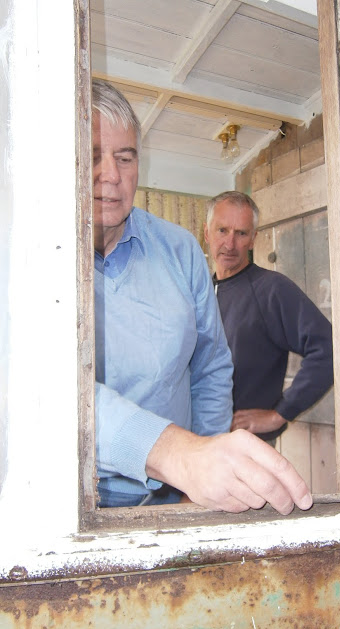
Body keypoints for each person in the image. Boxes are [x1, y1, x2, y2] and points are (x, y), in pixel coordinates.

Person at [92, 80, 312, 515]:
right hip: (82, 503)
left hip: (179, 497)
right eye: (91, 156)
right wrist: (180, 454)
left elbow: (211, 365)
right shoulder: (29, 259)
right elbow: (50, 390)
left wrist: (278, 414)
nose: (111, 176)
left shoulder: (182, 252)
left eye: (125, 157)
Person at [204, 191, 334, 444]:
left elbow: (327, 347)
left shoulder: (271, 289)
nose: (230, 244)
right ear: (207, 233)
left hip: (247, 448)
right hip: (199, 445)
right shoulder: (201, 293)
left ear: (253, 239)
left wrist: (280, 413)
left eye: (241, 233)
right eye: (222, 230)